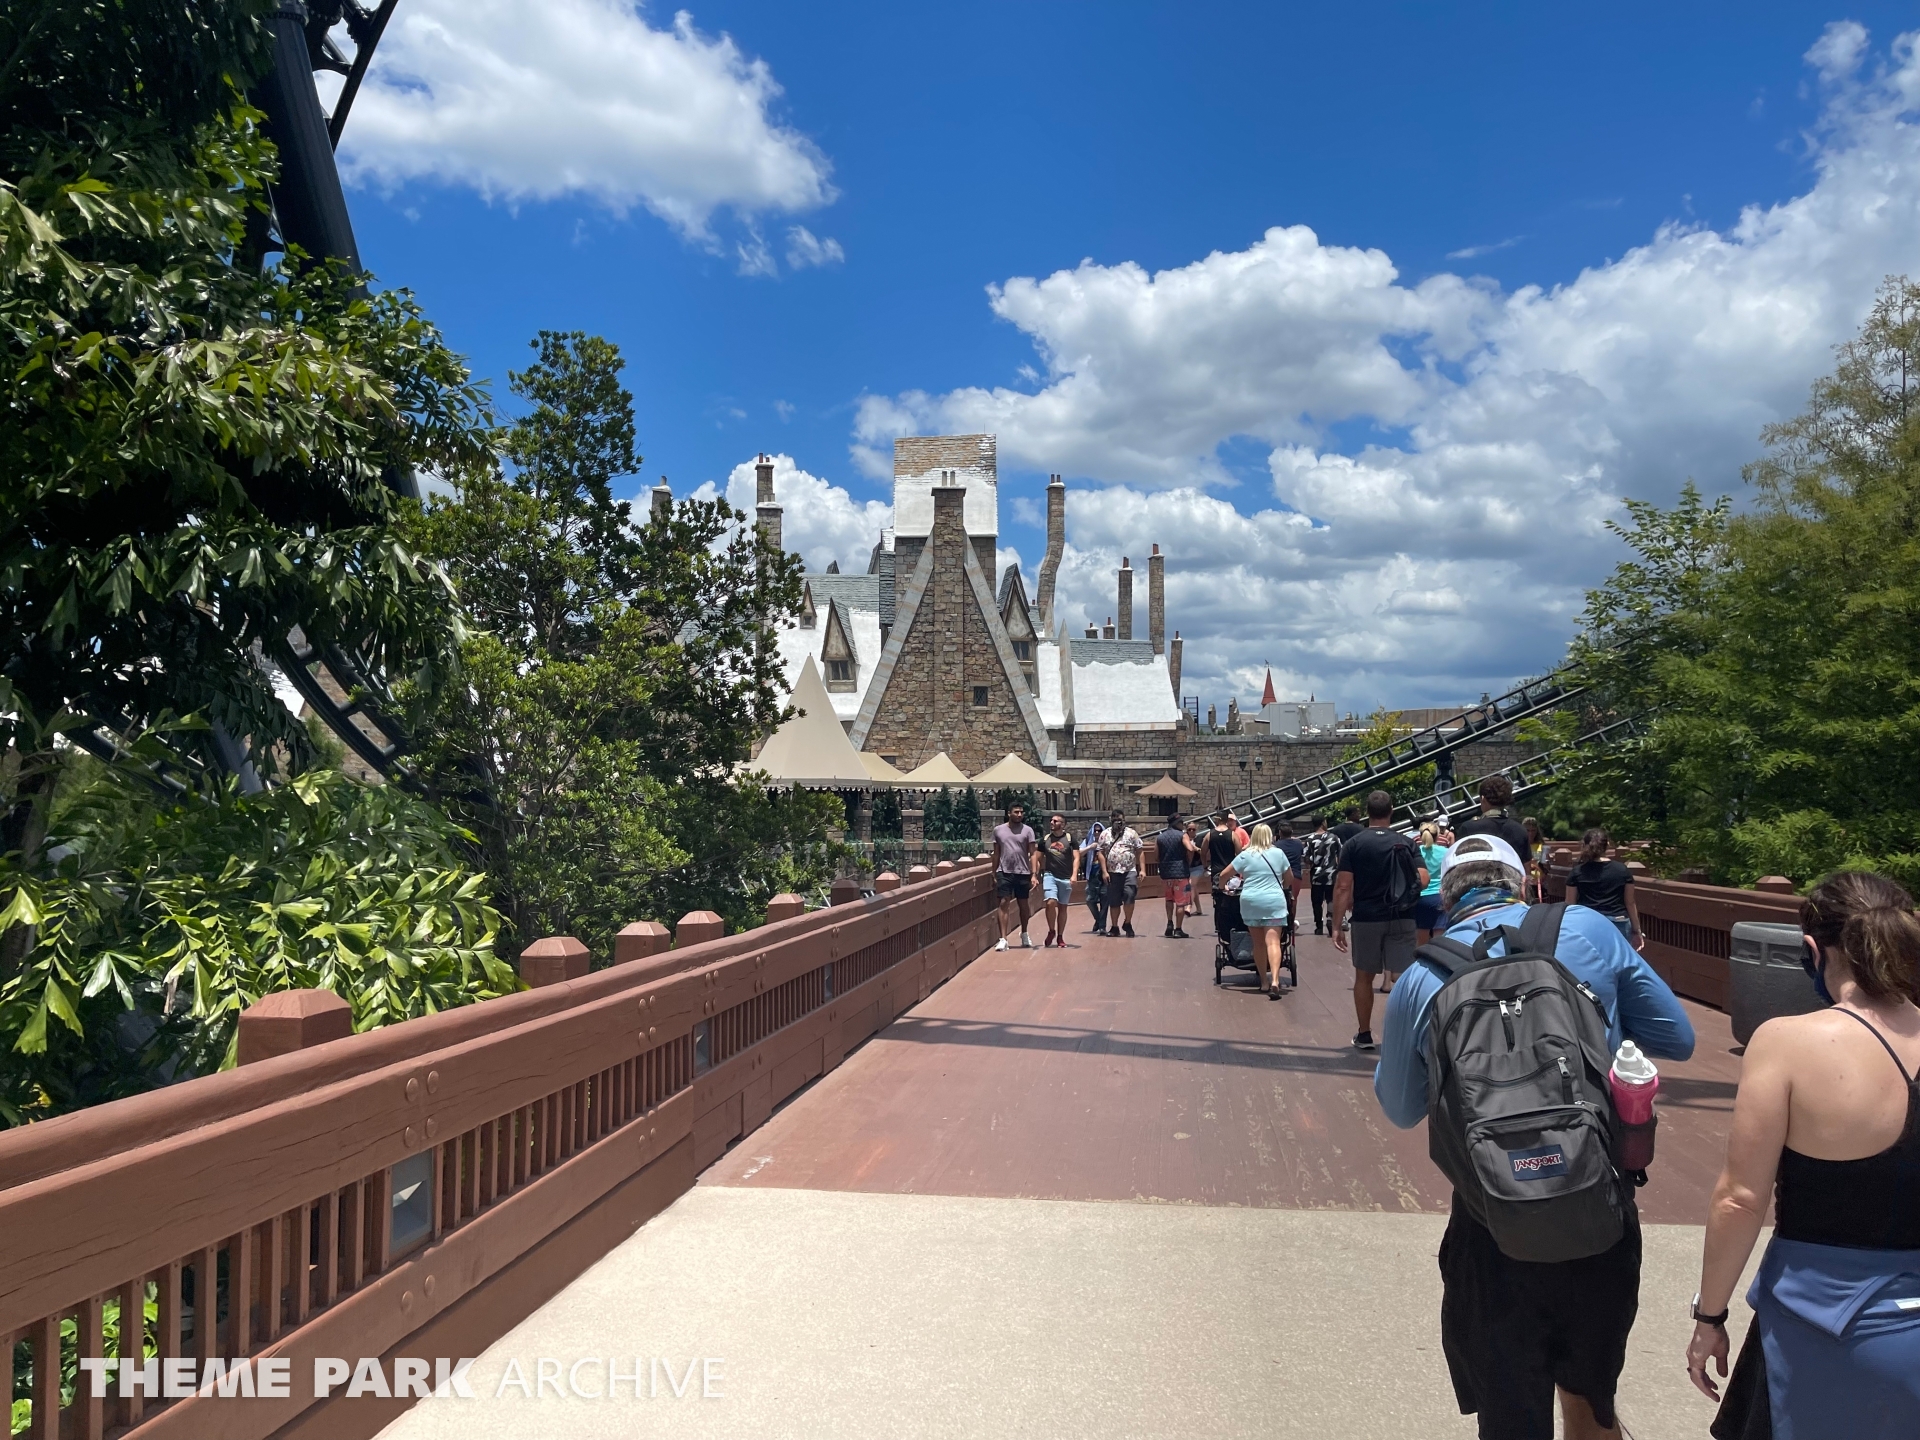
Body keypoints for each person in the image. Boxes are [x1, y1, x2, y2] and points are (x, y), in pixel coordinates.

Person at [1375, 833, 1696, 1440]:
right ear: (1524, 883)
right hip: (1596, 1205)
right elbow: (1677, 1038)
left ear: (1446, 899)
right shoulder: (1590, 929)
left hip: (1490, 1220)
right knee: (1591, 1402)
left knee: (1510, 1417)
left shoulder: (1422, 976)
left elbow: (1400, 1108)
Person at [1686, 870, 1920, 1438]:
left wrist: (1709, 1316)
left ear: (1813, 952)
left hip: (1821, 1327)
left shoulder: (1788, 1042)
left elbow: (1740, 1200)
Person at [1331, 790, 1428, 1049]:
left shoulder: (1354, 844)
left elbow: (1343, 886)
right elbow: (1423, 878)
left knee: (1364, 977)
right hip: (1402, 916)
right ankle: (1406, 1033)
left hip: (1367, 917)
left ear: (1366, 813)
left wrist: (1337, 925)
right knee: (1403, 976)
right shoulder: (1405, 842)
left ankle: (1364, 1033)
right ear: (1391, 810)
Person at [1226, 823, 1294, 1000]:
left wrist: (1222, 886)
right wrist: (1281, 887)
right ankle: (1275, 980)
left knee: (1258, 944)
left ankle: (1264, 981)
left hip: (1252, 902)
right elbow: (1289, 878)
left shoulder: (1245, 855)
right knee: (1273, 942)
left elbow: (1225, 873)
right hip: (1274, 901)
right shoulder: (1278, 853)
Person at [1454, 777, 1536, 899]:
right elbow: (1526, 869)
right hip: (1512, 894)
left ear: (1482, 799)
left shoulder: (1469, 828)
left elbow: (1457, 867)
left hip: (1475, 893)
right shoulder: (1520, 830)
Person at [1566, 828, 1642, 949]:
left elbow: (1570, 904)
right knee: (1620, 959)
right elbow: (1630, 902)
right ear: (1608, 845)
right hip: (1618, 922)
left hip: (1588, 922)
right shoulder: (1622, 870)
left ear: (1584, 845)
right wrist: (1636, 930)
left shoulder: (1577, 872)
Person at [991, 802, 1038, 951]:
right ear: (1009, 813)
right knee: (1003, 902)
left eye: (1021, 812)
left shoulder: (1028, 830)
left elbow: (1033, 853)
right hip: (1004, 871)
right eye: (1016, 812)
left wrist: (1034, 874)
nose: (1019, 815)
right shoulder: (998, 830)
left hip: (1022, 872)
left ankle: (1024, 932)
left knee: (1023, 905)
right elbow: (996, 853)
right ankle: (1003, 939)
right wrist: (993, 872)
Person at [1036, 812, 1078, 948]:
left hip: (1065, 877)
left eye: (1055, 821)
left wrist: (1074, 875)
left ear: (1063, 824)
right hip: (1050, 875)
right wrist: (1034, 875)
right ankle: (1051, 930)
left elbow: (1076, 857)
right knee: (1050, 902)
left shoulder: (1070, 839)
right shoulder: (1045, 840)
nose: (1052, 823)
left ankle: (1060, 936)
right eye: (1051, 820)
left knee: (1062, 907)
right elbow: (1037, 858)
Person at [1102, 810, 1144, 937]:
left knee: (1130, 896)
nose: (1117, 822)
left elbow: (1140, 850)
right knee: (1114, 901)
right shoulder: (1105, 834)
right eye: (1114, 819)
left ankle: (1128, 922)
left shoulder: (1132, 833)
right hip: (1112, 872)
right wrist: (1104, 871)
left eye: (1119, 819)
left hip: (1129, 871)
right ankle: (1114, 927)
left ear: (1124, 820)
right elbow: (1100, 853)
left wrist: (1142, 869)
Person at [1157, 812, 1198, 938]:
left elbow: (1156, 855)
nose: (1183, 825)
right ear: (1177, 823)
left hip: (1166, 873)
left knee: (1169, 899)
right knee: (1180, 902)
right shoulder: (1182, 835)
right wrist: (1188, 860)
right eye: (1182, 823)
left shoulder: (1160, 837)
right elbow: (1190, 849)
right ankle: (1178, 929)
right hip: (1181, 873)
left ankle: (1169, 923)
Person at [1302, 815, 1342, 935]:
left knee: (1316, 901)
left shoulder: (1310, 839)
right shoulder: (1334, 838)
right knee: (1331, 898)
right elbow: (1341, 854)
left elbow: (1306, 858)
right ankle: (1330, 917)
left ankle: (1319, 926)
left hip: (1316, 875)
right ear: (1323, 822)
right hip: (1331, 873)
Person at [1414, 821, 1447, 946]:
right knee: (1440, 937)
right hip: (1440, 896)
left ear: (1420, 835)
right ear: (1437, 836)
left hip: (1421, 897)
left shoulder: (1415, 852)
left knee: (1421, 939)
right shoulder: (1445, 851)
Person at [1277, 822, 1306, 944]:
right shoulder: (1298, 843)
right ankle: (1291, 924)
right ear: (1292, 832)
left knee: (1281, 900)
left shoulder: (1276, 846)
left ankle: (1281, 924)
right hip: (1296, 875)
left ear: (1280, 833)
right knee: (1293, 900)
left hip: (1281, 876)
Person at [1080, 822, 1109, 936]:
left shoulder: (1107, 841)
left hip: (1104, 874)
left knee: (1104, 901)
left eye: (1099, 830)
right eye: (1095, 831)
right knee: (1089, 900)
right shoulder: (1088, 840)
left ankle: (1102, 927)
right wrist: (1090, 847)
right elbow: (1078, 852)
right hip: (1092, 875)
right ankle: (1099, 920)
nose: (1097, 833)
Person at [1522, 817, 1547, 900]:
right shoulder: (1519, 845)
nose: (1530, 833)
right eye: (1528, 830)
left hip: (1539, 883)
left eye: (1533, 831)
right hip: (1524, 883)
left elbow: (1545, 865)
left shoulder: (1541, 845)